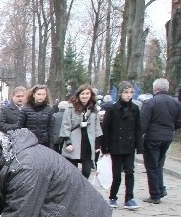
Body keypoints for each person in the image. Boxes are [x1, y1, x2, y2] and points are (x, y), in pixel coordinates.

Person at [101, 81, 142, 209]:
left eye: (130, 93)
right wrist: (105, 147)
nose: (128, 95)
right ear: (120, 93)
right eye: (126, 92)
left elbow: (138, 128)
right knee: (116, 173)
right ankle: (113, 196)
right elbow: (106, 129)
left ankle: (129, 197)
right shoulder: (112, 109)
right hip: (116, 145)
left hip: (129, 145)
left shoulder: (135, 109)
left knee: (130, 172)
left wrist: (139, 146)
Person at [140, 78, 181, 204]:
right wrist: (170, 129)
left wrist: (139, 138)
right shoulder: (176, 103)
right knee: (159, 164)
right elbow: (179, 122)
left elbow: (143, 123)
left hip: (152, 138)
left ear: (155, 89)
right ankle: (161, 188)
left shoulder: (150, 103)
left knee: (152, 165)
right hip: (167, 137)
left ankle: (155, 194)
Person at [59, 84, 102, 178]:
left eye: (87, 93)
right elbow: (65, 126)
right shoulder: (70, 108)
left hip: (88, 144)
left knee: (86, 172)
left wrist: (98, 144)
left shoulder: (93, 109)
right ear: (78, 95)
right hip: (74, 142)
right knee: (73, 173)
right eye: (82, 93)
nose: (85, 96)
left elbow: (97, 127)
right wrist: (68, 142)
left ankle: (83, 190)